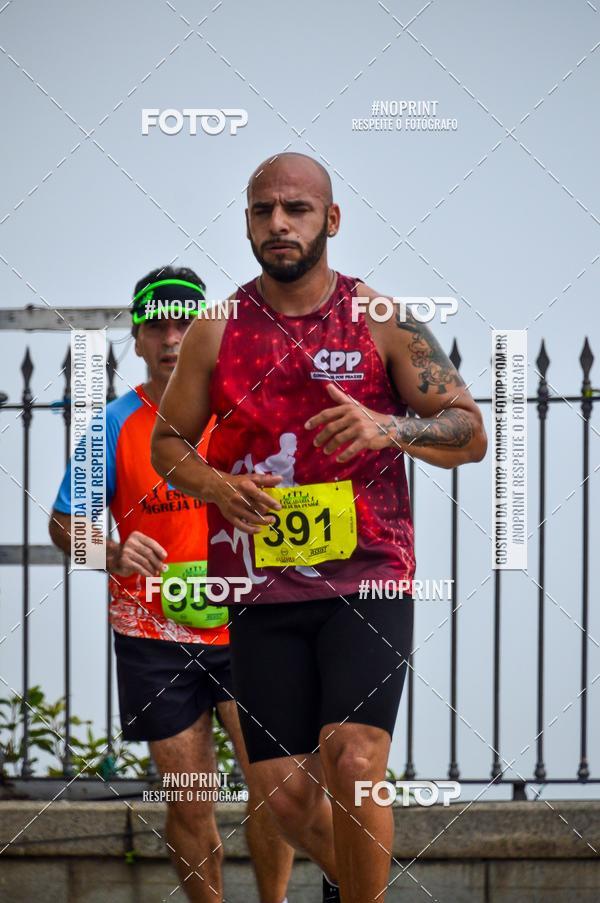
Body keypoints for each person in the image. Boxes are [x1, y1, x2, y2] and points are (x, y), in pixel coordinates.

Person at [151, 155, 488, 903]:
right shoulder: (217, 330)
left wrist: (387, 427)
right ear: (246, 222)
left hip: (366, 573)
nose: (279, 223)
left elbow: (469, 430)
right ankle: (347, 876)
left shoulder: (380, 319)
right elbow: (167, 445)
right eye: (264, 209)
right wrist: (220, 485)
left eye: (297, 209)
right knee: (287, 799)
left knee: (356, 759)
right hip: (259, 587)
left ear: (330, 221)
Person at [48, 266, 293, 903]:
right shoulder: (110, 425)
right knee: (189, 804)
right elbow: (62, 525)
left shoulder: (242, 412)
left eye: (186, 323)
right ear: (135, 339)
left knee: (274, 789)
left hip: (248, 621)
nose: (172, 338)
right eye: (157, 325)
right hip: (152, 635)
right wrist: (111, 550)